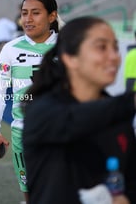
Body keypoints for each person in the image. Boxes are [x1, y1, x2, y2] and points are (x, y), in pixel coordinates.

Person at [22, 16, 136, 204]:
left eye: (115, 47)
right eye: (101, 47)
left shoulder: (117, 116)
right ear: (70, 59)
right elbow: (73, 120)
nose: (114, 56)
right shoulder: (43, 111)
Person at [0, 0, 61, 202]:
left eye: (35, 13)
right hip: (24, 133)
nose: (27, 19)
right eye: (24, 13)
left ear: (52, 16)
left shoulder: (67, 46)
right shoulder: (10, 50)